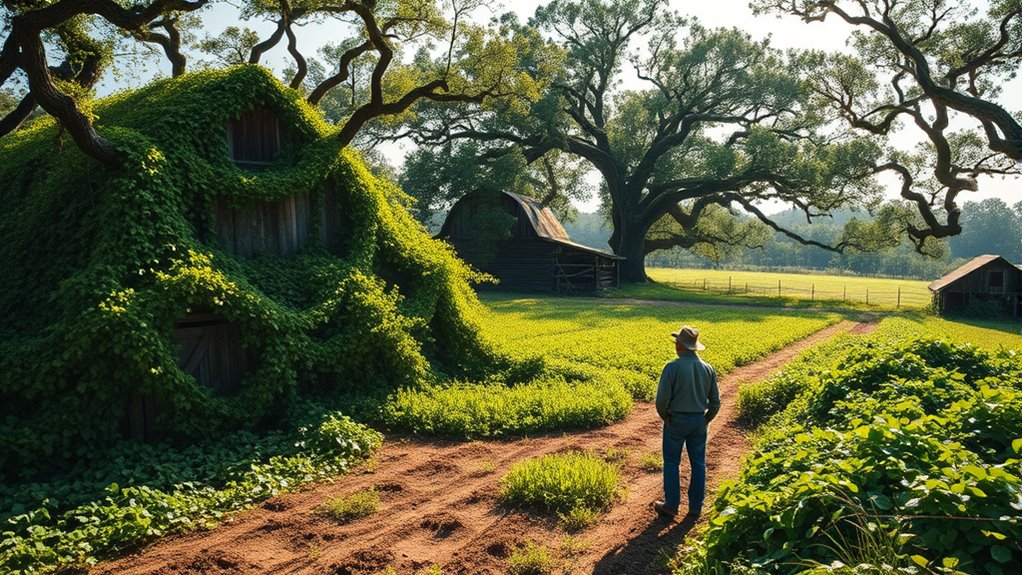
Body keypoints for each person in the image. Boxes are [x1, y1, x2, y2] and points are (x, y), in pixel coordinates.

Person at [653, 324, 720, 520]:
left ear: (679, 345)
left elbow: (661, 400)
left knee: (672, 462)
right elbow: (715, 402)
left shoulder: (672, 367)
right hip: (699, 420)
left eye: (676, 342)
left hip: (676, 420)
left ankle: (671, 505)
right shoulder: (708, 368)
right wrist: (706, 419)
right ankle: (695, 508)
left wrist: (665, 417)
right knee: (698, 464)